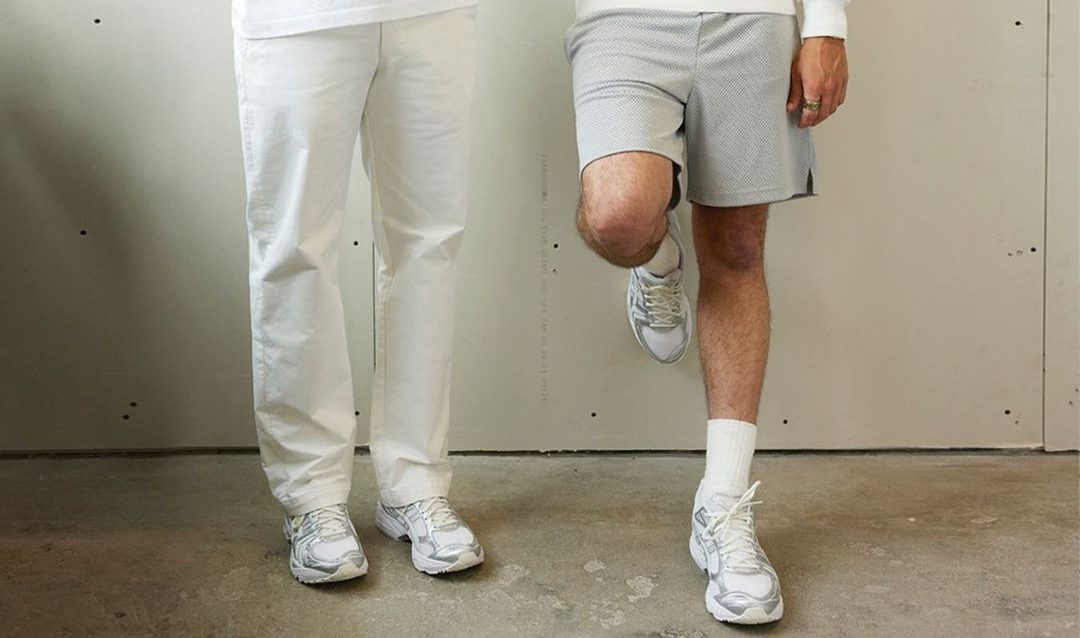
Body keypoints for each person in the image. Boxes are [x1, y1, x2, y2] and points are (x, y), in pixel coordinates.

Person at [565, 0, 849, 624]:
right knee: (617, 218)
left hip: (753, 20)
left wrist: (828, 26)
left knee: (737, 247)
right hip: (623, 19)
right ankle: (656, 256)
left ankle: (722, 505)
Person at [231, 0, 484, 584]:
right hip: (296, 17)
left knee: (428, 243)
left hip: (433, 13)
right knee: (295, 248)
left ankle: (415, 482)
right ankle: (312, 495)